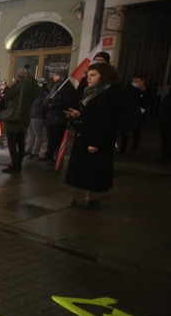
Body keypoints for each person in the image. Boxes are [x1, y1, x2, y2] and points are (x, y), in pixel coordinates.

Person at [64, 62, 123, 210]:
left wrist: (96, 143)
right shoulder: (94, 91)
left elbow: (106, 121)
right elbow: (93, 115)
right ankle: (87, 199)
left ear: (103, 76)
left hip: (96, 141)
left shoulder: (109, 94)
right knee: (86, 171)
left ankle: (92, 201)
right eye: (88, 75)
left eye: (93, 75)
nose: (89, 78)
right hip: (87, 136)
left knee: (94, 172)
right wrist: (79, 114)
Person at [0, 68, 40, 173]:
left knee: (12, 142)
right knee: (21, 142)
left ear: (20, 75)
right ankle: (18, 163)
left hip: (15, 116)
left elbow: (7, 96)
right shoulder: (34, 87)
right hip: (26, 117)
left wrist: (6, 88)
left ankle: (15, 165)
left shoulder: (19, 86)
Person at [43, 69, 77, 162]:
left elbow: (66, 101)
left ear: (61, 76)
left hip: (59, 117)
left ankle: (58, 156)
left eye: (56, 75)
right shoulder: (57, 86)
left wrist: (52, 104)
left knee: (58, 138)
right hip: (52, 116)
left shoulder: (66, 87)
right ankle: (49, 155)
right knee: (51, 137)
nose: (54, 77)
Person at [118, 74, 154, 154]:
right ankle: (123, 149)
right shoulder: (131, 89)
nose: (135, 83)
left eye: (137, 81)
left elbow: (148, 101)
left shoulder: (148, 90)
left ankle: (134, 148)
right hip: (130, 112)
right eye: (134, 81)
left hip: (140, 112)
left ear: (142, 81)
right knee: (125, 130)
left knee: (137, 131)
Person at [25, 79, 48, 159]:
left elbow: (42, 104)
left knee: (37, 135)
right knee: (31, 134)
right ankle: (29, 150)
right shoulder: (36, 92)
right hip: (33, 115)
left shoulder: (43, 93)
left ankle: (35, 152)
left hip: (38, 116)